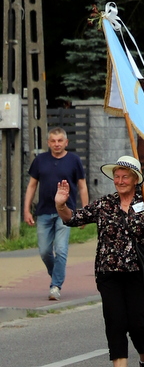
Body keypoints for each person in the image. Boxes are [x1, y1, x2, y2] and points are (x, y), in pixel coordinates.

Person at [55, 154, 144, 367]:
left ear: (136, 179)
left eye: (125, 176)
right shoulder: (105, 203)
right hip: (108, 272)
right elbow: (74, 219)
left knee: (137, 324)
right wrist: (61, 205)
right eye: (116, 176)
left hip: (137, 272)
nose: (120, 180)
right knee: (115, 322)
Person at [23, 126, 88, 301]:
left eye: (60, 141)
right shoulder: (40, 160)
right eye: (53, 141)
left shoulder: (74, 160)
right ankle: (56, 276)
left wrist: (86, 212)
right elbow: (31, 186)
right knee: (44, 251)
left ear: (66, 142)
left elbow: (82, 186)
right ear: (48, 143)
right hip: (43, 211)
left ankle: (55, 286)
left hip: (65, 213)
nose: (56, 144)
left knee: (60, 249)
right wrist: (26, 209)